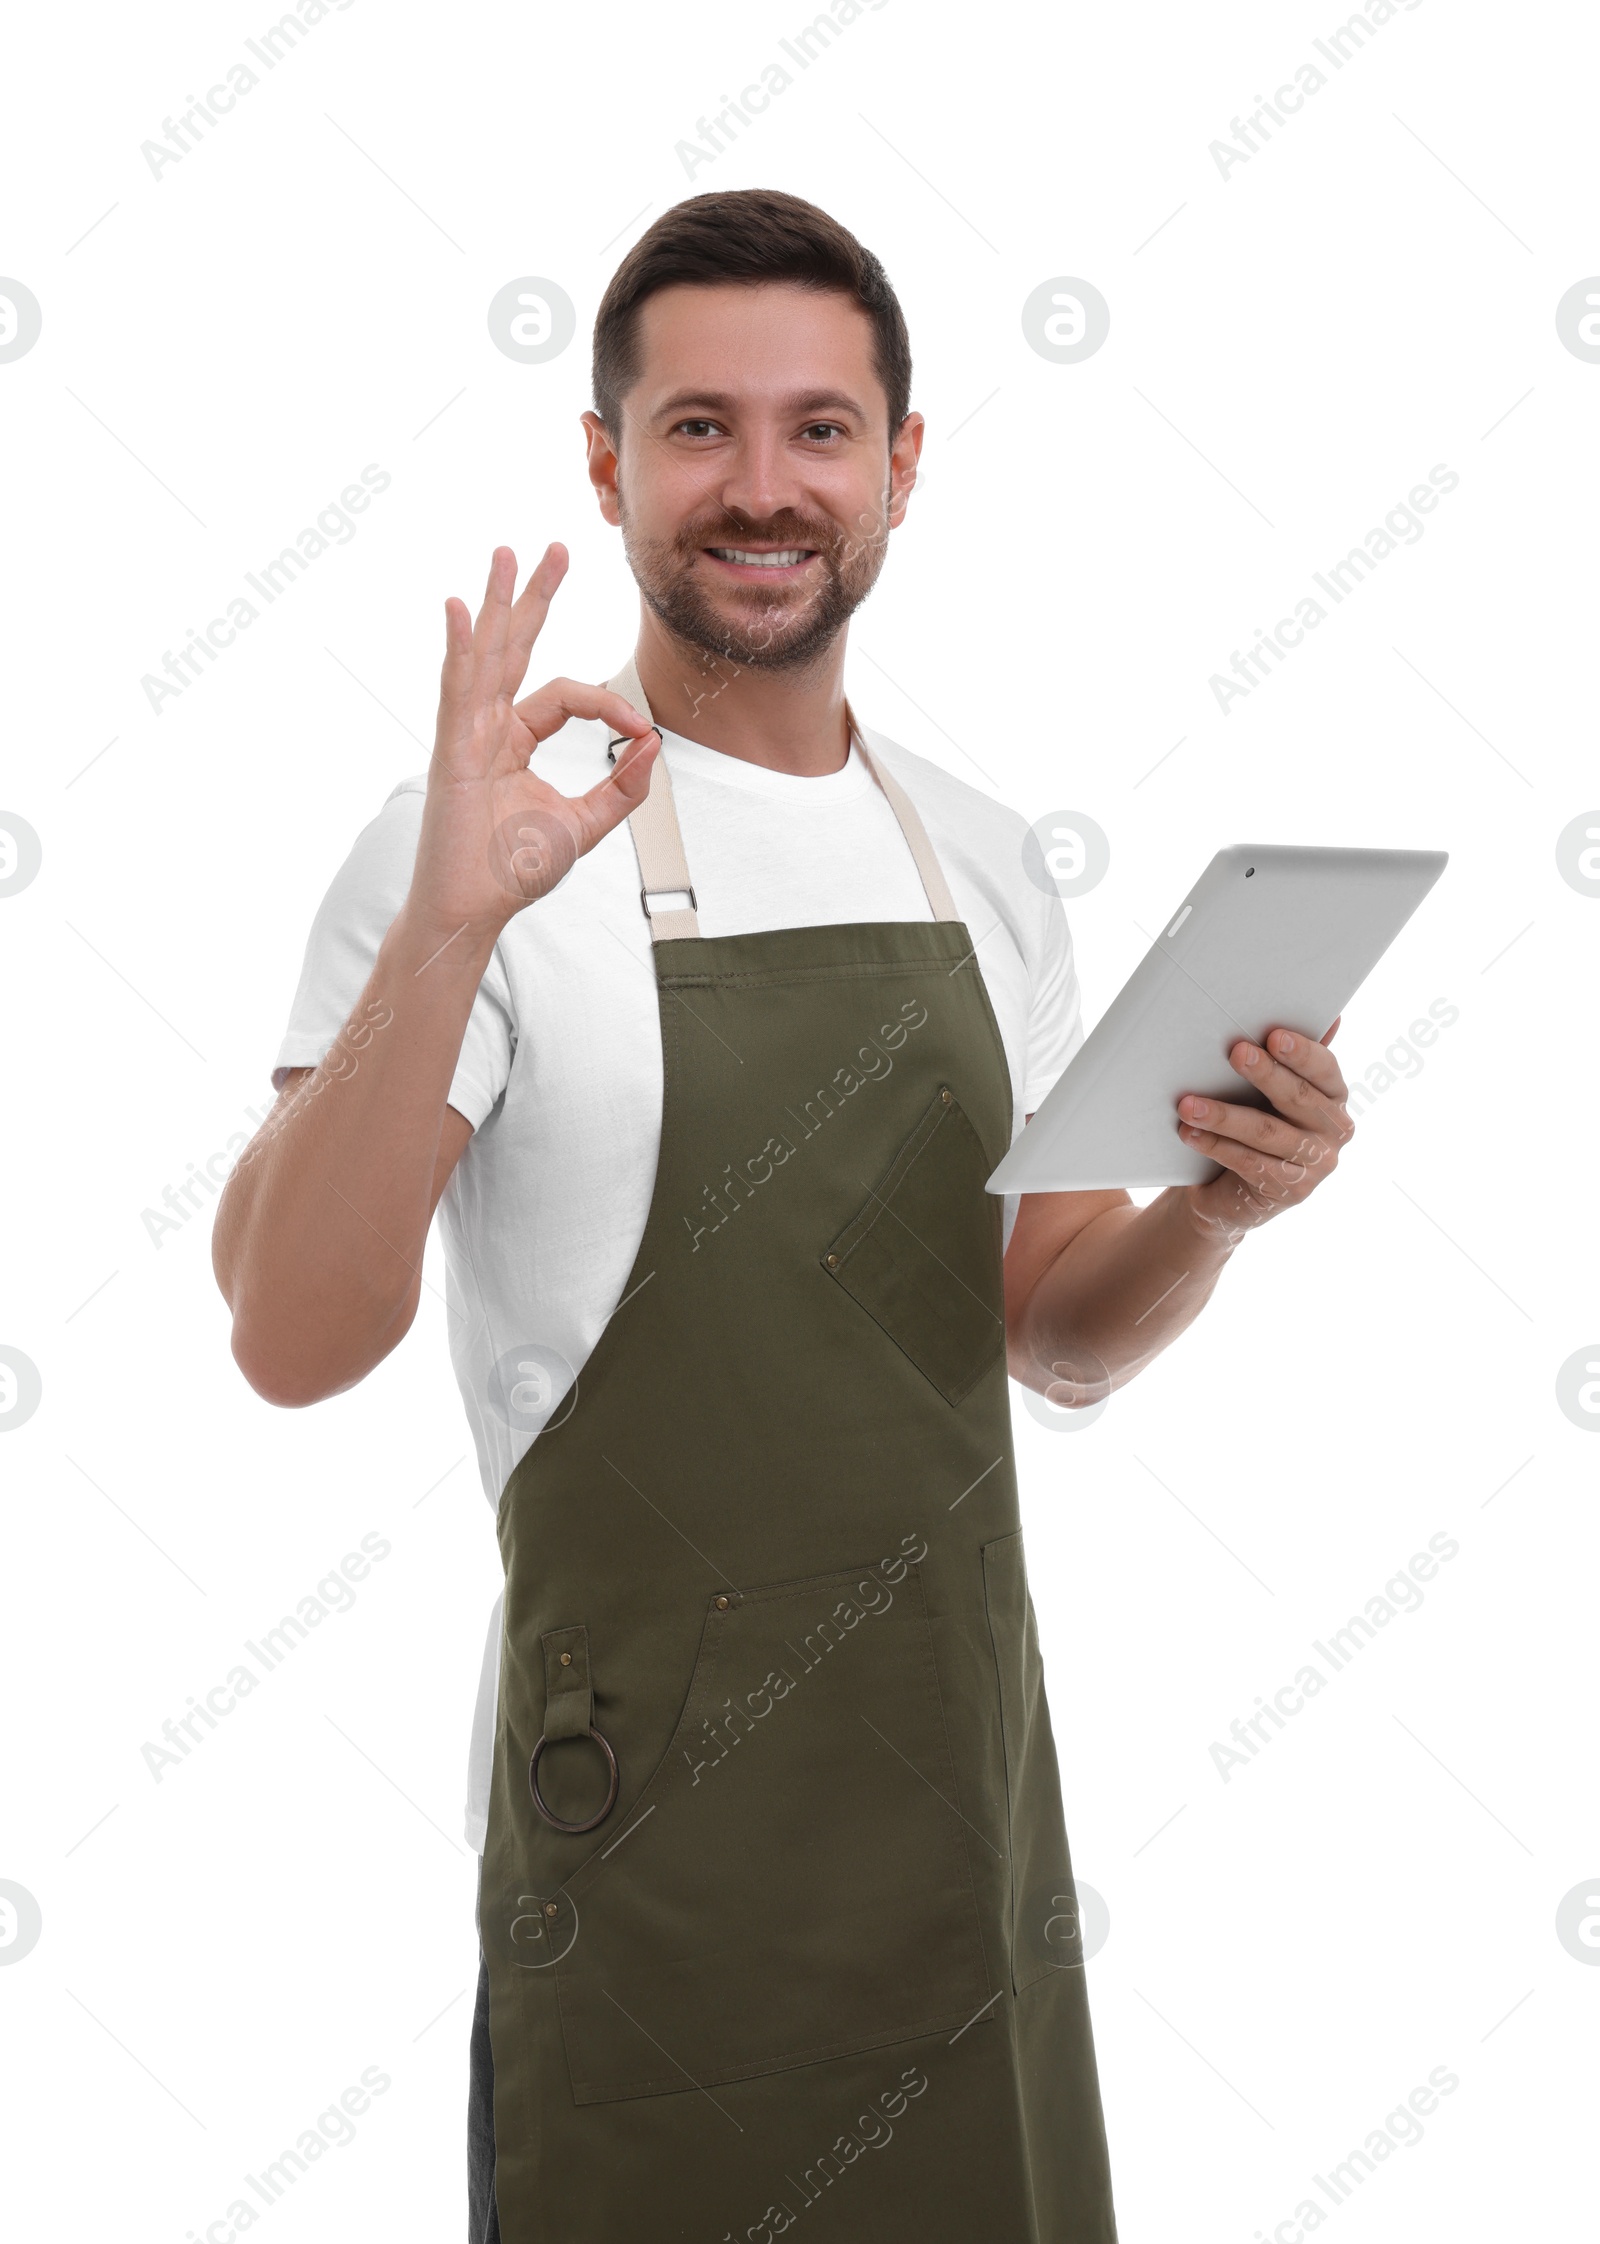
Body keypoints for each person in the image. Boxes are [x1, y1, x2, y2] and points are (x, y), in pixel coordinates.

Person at [213, 187, 1352, 2244]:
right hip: (646, 1840)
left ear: (901, 467)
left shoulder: (979, 860)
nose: (762, 487)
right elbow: (291, 1336)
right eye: (697, 428)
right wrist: (450, 931)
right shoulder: (474, 843)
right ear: (603, 460)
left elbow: (1047, 1329)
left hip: (951, 1811)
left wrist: (1210, 1207)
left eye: (819, 429)